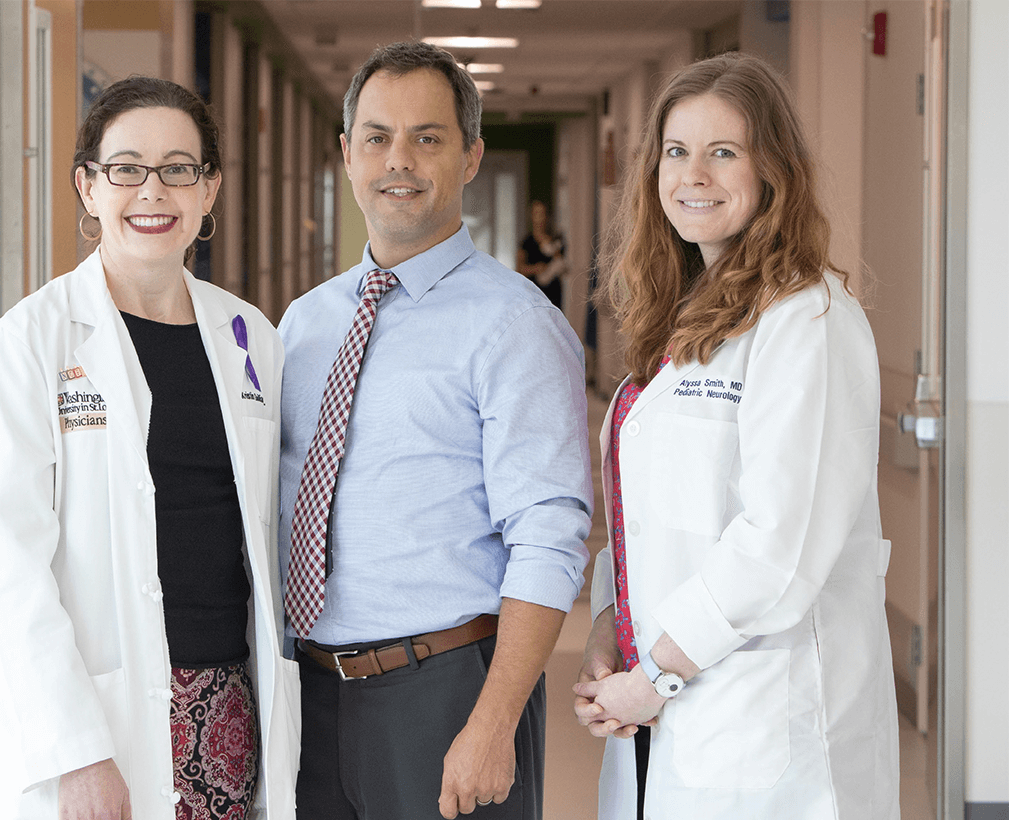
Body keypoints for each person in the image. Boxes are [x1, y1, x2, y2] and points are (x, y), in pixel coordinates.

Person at [0, 77, 299, 820]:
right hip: (94, 721)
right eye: (126, 169)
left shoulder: (249, 337)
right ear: (88, 186)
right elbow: (1, 561)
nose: (154, 190)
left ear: (209, 189)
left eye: (180, 168)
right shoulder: (37, 336)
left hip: (228, 709)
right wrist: (73, 750)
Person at [572, 52, 900, 820]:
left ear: (772, 171)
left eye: (724, 152)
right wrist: (607, 633)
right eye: (677, 153)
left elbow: (778, 546)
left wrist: (654, 677)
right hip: (667, 702)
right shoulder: (679, 318)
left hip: (767, 726)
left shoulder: (806, 320)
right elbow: (650, 521)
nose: (695, 175)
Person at [278, 42, 592, 820]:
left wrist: (494, 722)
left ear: (472, 155)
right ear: (347, 154)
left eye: (429, 137)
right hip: (308, 694)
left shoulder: (516, 325)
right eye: (378, 137)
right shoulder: (303, 323)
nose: (400, 160)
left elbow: (549, 536)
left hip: (445, 693)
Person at [515, 200, 566, 309]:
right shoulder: (526, 243)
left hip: (554, 296)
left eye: (542, 214)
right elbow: (519, 269)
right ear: (531, 217)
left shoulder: (555, 241)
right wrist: (535, 269)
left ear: (547, 216)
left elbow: (563, 266)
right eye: (536, 214)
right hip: (534, 296)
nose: (540, 218)